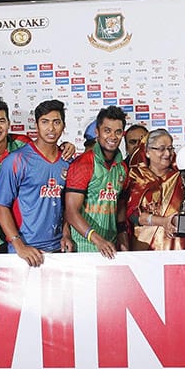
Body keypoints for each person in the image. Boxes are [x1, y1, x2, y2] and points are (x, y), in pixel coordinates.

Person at [0, 100, 73, 267]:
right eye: (45, 122)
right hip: (24, 252)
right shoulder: (17, 160)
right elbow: (1, 206)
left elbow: (68, 205)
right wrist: (19, 245)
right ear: (36, 125)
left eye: (56, 122)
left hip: (58, 250)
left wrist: (66, 233)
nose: (51, 128)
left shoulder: (68, 161)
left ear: (64, 126)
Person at [0, 98, 76, 202]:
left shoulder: (23, 143)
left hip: (20, 216)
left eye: (1, 121)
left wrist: (64, 146)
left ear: (9, 123)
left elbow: (44, 149)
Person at [64, 105, 128, 259]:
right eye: (107, 131)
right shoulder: (83, 164)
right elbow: (71, 212)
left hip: (110, 248)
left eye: (118, 132)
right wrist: (98, 241)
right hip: (84, 249)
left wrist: (124, 244)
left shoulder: (123, 168)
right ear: (97, 132)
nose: (113, 136)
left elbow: (119, 209)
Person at [120, 128, 185, 251]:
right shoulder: (136, 177)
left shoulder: (182, 177)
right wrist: (162, 221)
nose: (167, 154)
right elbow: (132, 215)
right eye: (161, 149)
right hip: (144, 247)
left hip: (178, 248)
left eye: (170, 148)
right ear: (147, 152)